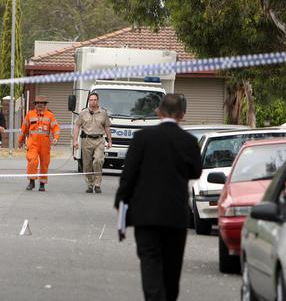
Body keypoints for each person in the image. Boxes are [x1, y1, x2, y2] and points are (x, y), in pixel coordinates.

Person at [114, 94, 202, 301]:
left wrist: (120, 201)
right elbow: (196, 172)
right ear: (183, 115)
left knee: (150, 261)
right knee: (172, 267)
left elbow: (129, 175)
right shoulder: (189, 141)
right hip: (176, 216)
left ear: (158, 112)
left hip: (146, 214)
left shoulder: (142, 138)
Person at [72, 92, 113, 193]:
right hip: (86, 140)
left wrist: (110, 141)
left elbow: (107, 127)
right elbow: (77, 126)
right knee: (87, 164)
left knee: (98, 160)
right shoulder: (83, 113)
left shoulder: (103, 113)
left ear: (97, 101)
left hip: (99, 140)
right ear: (88, 101)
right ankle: (90, 184)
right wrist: (75, 140)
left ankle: (97, 184)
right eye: (91, 100)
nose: (93, 102)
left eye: (95, 100)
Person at [18, 95, 60, 191]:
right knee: (32, 160)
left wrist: (56, 138)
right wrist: (20, 141)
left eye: (42, 103)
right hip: (32, 142)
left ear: (45, 104)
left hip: (45, 143)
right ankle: (31, 182)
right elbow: (23, 128)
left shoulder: (50, 115)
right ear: (35, 104)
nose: (39, 105)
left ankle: (42, 183)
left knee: (44, 164)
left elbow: (55, 127)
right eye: (38, 103)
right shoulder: (30, 114)